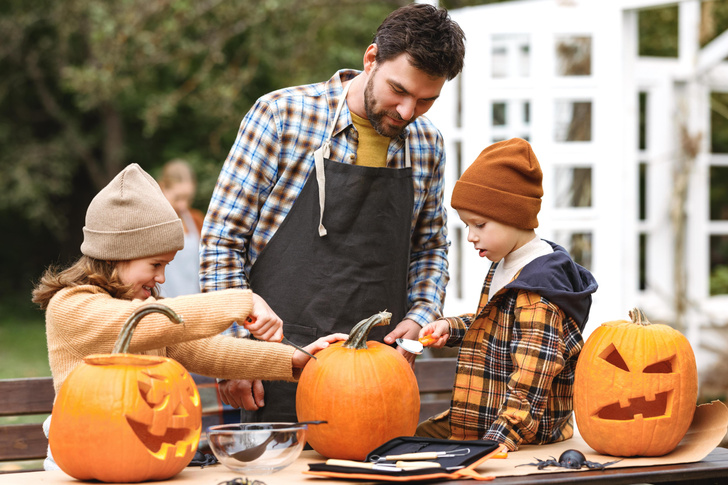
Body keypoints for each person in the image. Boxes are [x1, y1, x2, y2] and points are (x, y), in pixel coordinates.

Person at [199, 2, 466, 422]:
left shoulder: (426, 145)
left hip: (379, 378)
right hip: (276, 365)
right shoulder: (282, 116)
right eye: (399, 90)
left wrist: (420, 316)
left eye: (425, 100)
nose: (407, 112)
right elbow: (222, 241)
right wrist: (237, 353)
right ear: (371, 58)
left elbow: (431, 248)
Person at [31, 164, 344, 469]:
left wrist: (292, 359)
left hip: (145, 462)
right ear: (117, 254)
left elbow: (207, 350)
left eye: (166, 266)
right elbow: (139, 321)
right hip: (83, 462)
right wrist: (241, 301)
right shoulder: (72, 306)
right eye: (155, 265)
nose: (162, 278)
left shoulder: (148, 313)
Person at [413, 138, 598, 451]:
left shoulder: (539, 290)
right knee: (412, 438)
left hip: (522, 434)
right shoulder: (508, 263)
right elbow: (498, 326)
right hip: (485, 415)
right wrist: (452, 327)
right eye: (466, 225)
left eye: (479, 224)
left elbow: (533, 373)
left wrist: (500, 438)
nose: (471, 237)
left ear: (514, 214)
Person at [157, 159, 205, 297]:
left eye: (188, 198)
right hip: (162, 307)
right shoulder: (150, 224)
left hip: (195, 306)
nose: (183, 205)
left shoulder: (196, 220)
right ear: (162, 188)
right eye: (177, 198)